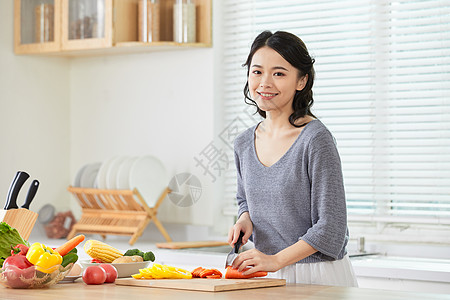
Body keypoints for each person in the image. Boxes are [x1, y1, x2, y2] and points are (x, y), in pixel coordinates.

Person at [227, 30, 358, 287]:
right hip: (266, 273)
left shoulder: (315, 139)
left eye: (278, 73)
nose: (265, 83)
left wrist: (276, 260)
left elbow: (332, 226)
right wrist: (244, 219)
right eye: (257, 71)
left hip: (316, 275)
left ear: (301, 81)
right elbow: (245, 200)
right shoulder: (243, 142)